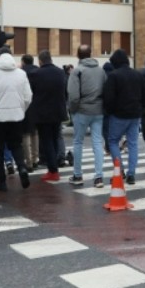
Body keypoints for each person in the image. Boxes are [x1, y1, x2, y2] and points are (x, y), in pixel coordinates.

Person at [0, 52, 32, 191]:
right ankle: (22, 167)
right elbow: (28, 96)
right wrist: (21, 110)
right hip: (16, 117)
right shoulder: (21, 74)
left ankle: (1, 181)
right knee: (16, 145)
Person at [64, 44, 106, 186]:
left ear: (78, 55)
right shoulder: (101, 71)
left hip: (82, 110)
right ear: (90, 54)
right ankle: (99, 176)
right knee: (97, 142)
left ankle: (78, 175)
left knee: (78, 142)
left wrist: (73, 110)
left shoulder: (77, 71)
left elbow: (73, 95)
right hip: (98, 110)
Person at [104, 49, 145, 185]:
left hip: (119, 115)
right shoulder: (138, 74)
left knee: (113, 141)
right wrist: (140, 109)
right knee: (133, 143)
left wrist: (110, 111)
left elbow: (108, 98)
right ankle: (131, 174)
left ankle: (120, 170)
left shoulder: (113, 76)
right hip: (135, 114)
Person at [30, 50, 68, 187]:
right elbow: (65, 92)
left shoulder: (36, 74)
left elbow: (31, 92)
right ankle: (54, 165)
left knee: (47, 141)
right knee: (55, 138)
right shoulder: (60, 72)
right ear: (50, 59)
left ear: (40, 60)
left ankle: (53, 170)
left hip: (43, 113)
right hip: (58, 111)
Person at [20, 54, 40, 171]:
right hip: (37, 106)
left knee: (25, 134)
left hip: (26, 106)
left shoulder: (22, 73)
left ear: (23, 62)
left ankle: (28, 162)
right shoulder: (39, 72)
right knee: (35, 133)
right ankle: (35, 159)